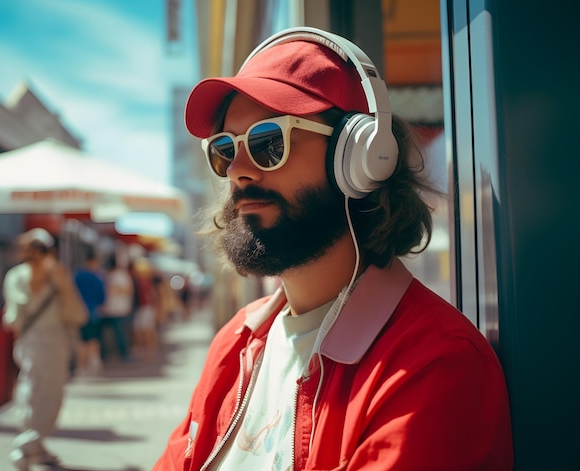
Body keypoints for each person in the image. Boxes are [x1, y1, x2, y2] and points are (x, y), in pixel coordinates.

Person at [153, 27, 513, 470]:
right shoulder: (237, 342)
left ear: (360, 156)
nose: (239, 172)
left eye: (269, 143)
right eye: (224, 150)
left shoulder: (434, 366)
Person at [2, 228, 82, 470]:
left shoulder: (58, 276)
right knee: (34, 390)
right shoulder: (18, 276)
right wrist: (38, 279)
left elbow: (74, 313)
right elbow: (16, 315)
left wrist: (61, 282)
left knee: (49, 393)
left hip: (56, 342)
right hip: (34, 342)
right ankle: (27, 443)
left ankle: (35, 446)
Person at [73, 246, 106, 375]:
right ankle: (93, 362)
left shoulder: (77, 276)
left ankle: (81, 367)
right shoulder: (97, 278)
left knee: (81, 341)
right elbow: (102, 299)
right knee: (92, 339)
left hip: (78, 314)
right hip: (93, 314)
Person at [100, 254, 133, 361]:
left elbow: (128, 290)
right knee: (106, 333)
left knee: (120, 333)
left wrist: (115, 289)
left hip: (119, 309)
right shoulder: (107, 275)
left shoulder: (121, 275)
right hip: (107, 310)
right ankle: (105, 355)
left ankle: (124, 354)